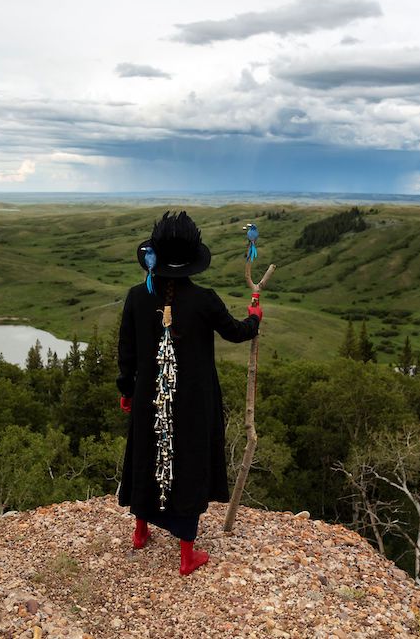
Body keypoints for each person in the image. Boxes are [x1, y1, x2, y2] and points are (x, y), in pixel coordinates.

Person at [116, 211, 262, 575]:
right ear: (193, 259)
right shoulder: (205, 300)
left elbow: (126, 351)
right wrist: (256, 316)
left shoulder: (137, 297)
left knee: (147, 452)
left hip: (150, 395)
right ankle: (186, 555)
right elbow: (236, 332)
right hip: (195, 400)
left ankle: (140, 531)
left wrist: (126, 390)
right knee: (189, 460)